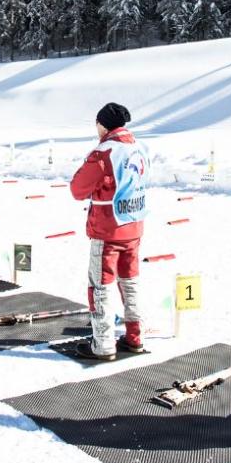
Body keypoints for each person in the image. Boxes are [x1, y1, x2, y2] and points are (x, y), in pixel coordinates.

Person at [69, 102, 150, 361]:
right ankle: (135, 337)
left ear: (103, 124)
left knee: (101, 286)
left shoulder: (104, 152)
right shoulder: (138, 147)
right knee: (130, 283)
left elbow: (77, 189)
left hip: (108, 228)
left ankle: (103, 344)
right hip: (134, 226)